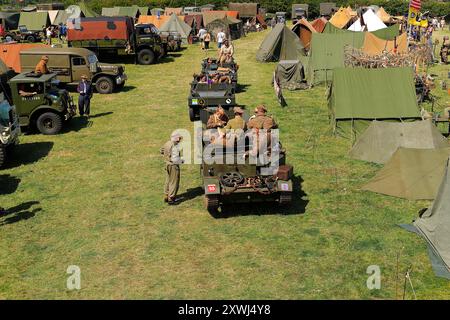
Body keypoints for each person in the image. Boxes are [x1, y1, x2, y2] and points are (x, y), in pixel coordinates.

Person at [161, 132, 184, 204]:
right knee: (174, 182)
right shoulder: (175, 146)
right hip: (173, 166)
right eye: (179, 138)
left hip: (167, 164)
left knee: (168, 180)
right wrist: (181, 161)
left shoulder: (167, 143)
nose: (180, 140)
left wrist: (166, 157)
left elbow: (161, 150)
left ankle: (166, 195)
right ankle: (171, 198)